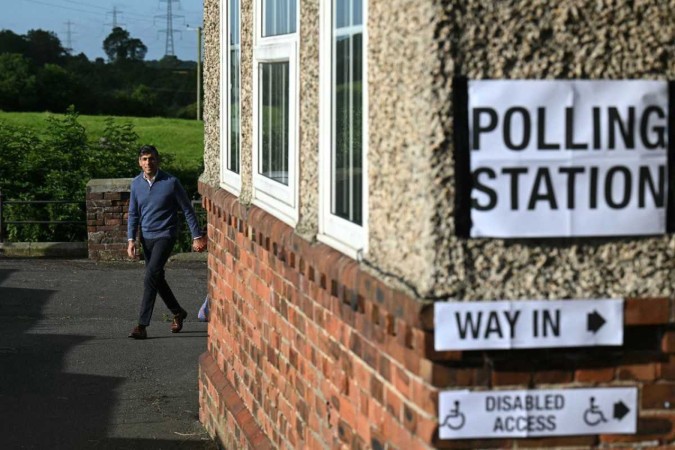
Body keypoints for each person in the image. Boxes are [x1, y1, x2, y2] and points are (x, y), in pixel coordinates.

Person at [127, 145, 207, 340]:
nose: (148, 162)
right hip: (146, 237)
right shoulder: (136, 184)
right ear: (139, 162)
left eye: (152, 159)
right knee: (156, 278)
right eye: (144, 159)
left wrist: (196, 236)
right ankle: (178, 311)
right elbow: (133, 213)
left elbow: (187, 209)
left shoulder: (171, 182)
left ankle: (141, 325)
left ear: (158, 160)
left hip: (166, 234)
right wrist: (131, 239)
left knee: (150, 276)